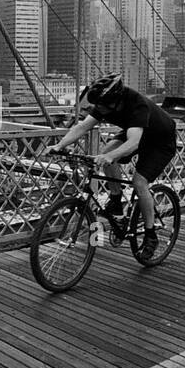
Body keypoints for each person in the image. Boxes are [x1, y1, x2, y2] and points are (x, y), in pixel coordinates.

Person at [48, 73, 177, 259]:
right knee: (107, 150)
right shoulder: (105, 103)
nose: (99, 110)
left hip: (160, 141)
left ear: (115, 101)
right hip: (138, 132)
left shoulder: (137, 105)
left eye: (102, 106)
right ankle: (116, 201)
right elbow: (82, 127)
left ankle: (151, 236)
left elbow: (133, 143)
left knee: (139, 182)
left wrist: (110, 157)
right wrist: (60, 145)